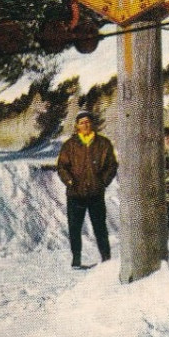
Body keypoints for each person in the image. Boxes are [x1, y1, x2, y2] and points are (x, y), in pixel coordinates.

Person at [57, 111, 118, 269]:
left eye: (88, 122)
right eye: (82, 122)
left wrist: (103, 182)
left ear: (93, 124)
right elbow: (62, 166)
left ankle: (106, 258)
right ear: (77, 125)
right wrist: (70, 181)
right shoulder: (69, 145)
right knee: (74, 228)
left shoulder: (103, 144)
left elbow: (112, 165)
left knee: (100, 227)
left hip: (96, 194)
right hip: (75, 194)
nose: (85, 125)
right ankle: (76, 259)